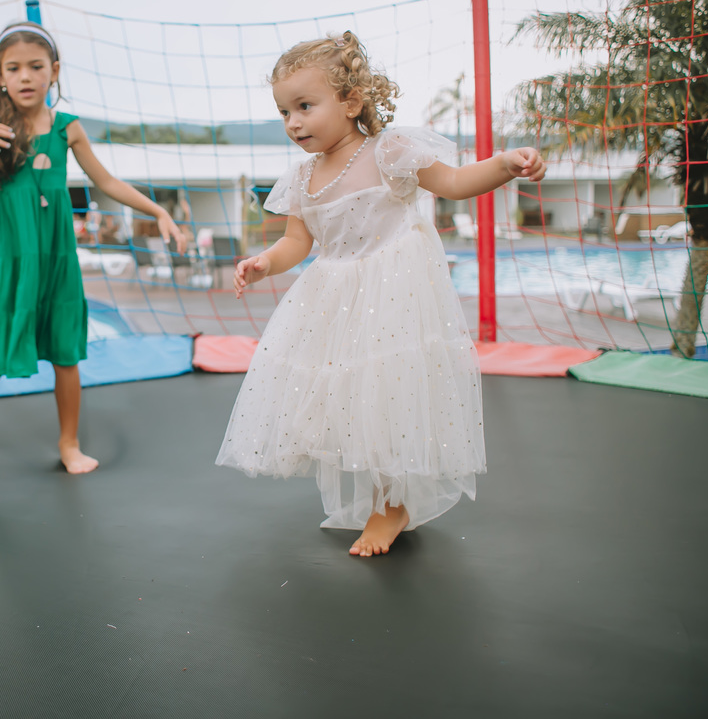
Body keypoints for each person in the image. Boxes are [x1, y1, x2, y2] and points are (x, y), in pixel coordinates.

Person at [215, 32, 545, 557]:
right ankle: (380, 498)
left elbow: (456, 182)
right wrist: (263, 265)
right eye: (283, 112)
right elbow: (296, 242)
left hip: (394, 294)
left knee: (388, 397)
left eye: (304, 106)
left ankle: (390, 506)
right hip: (333, 296)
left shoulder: (388, 151)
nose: (293, 122)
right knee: (348, 405)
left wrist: (504, 164)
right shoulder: (301, 177)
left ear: (350, 102)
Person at [0, 22, 185, 472]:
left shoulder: (68, 128)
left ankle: (69, 444)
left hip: (58, 256)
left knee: (65, 347)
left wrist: (157, 212)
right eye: (14, 68)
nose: (25, 76)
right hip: (16, 258)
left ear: (54, 72)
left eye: (35, 66)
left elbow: (106, 182)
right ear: (0, 76)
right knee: (0, 332)